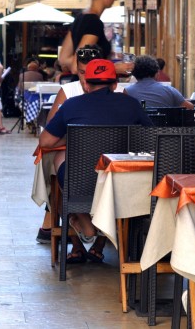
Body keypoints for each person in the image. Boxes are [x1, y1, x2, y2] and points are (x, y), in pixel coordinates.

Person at [38, 59, 152, 263]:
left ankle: (82, 218)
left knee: (59, 157)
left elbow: (45, 141)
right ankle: (103, 229)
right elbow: (150, 137)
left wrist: (70, 136)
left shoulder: (72, 105)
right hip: (119, 184)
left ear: (86, 84)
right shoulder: (131, 105)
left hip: (81, 183)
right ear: (115, 84)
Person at [35, 44, 101, 245]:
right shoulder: (69, 91)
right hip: (89, 163)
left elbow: (49, 136)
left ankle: (92, 242)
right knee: (63, 176)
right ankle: (79, 246)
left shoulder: (113, 92)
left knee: (62, 175)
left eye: (89, 72)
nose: (85, 78)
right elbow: (52, 127)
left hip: (85, 162)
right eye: (82, 72)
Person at [57, 0, 132, 77]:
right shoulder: (94, 23)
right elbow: (76, 66)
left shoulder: (80, 17)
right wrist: (114, 68)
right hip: (92, 87)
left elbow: (63, 59)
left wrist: (93, 65)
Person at [123, 55, 194, 109]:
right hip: (165, 128)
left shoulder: (127, 92)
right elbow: (190, 107)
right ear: (156, 73)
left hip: (137, 128)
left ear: (134, 74)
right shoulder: (169, 90)